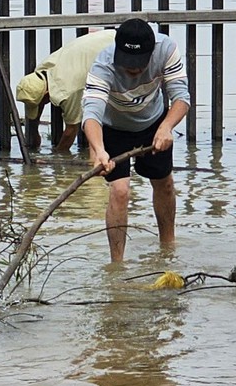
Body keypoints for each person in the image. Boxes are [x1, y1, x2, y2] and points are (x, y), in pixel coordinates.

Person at [82, 17, 191, 259]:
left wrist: (166, 128)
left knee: (164, 182)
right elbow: (91, 113)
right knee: (120, 191)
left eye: (140, 63)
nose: (134, 69)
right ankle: (117, 263)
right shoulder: (103, 65)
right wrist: (99, 150)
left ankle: (168, 248)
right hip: (113, 127)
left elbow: (181, 97)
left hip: (153, 122)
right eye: (129, 63)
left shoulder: (167, 49)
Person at [15, 28, 111, 153]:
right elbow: (38, 100)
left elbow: (71, 130)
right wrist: (34, 133)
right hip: (104, 37)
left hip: (113, 49)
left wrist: (58, 155)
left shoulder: (68, 91)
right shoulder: (42, 70)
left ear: (46, 95)